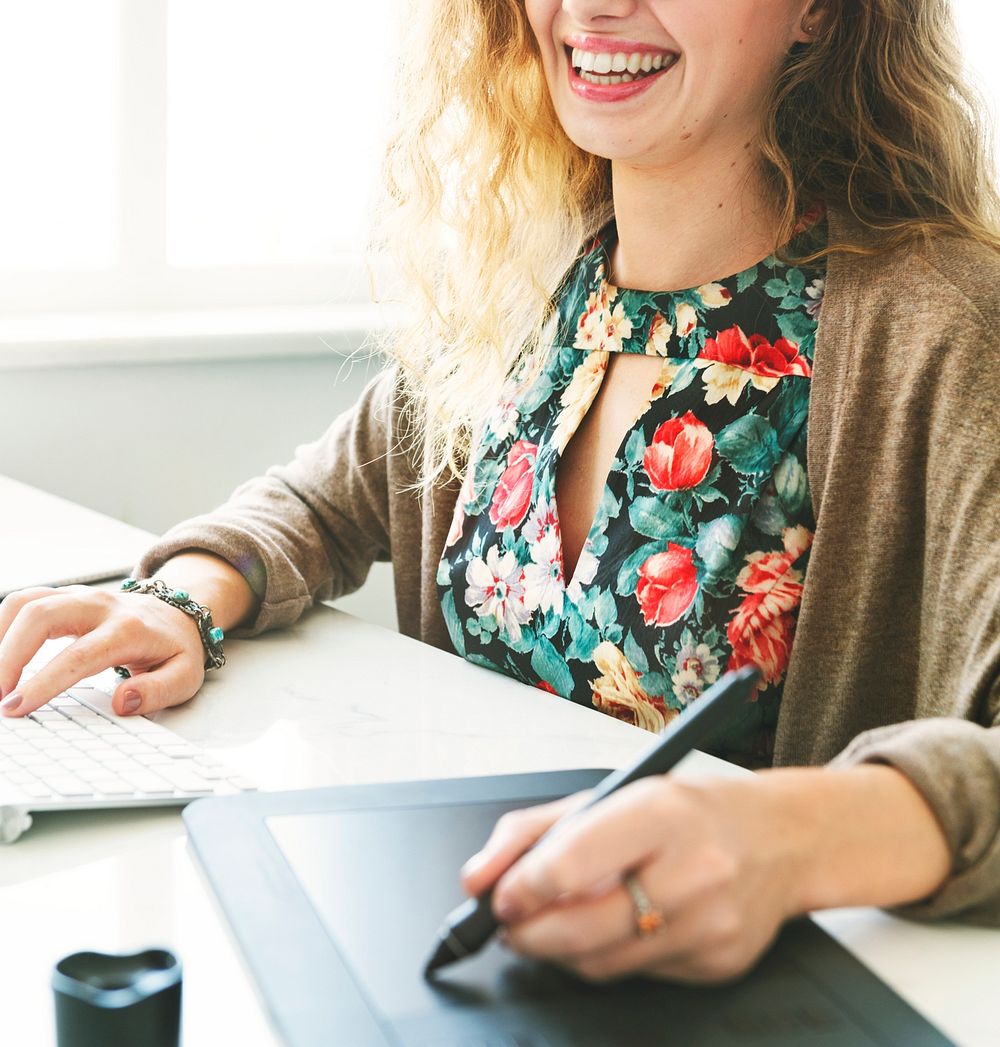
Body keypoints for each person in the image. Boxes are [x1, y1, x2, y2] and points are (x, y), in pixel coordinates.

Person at [2, 0, 999, 983]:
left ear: (819, 13)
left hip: (755, 998)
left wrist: (785, 838)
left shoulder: (940, 326)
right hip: (472, 953)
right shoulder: (531, 283)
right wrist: (182, 599)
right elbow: (314, 503)